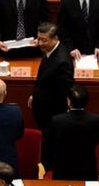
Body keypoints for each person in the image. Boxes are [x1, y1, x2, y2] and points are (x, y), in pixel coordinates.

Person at [28, 22, 74, 162]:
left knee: (49, 145)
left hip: (53, 112)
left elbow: (65, 89)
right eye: (39, 39)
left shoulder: (62, 60)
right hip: (44, 108)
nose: (40, 43)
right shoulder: (50, 51)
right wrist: (34, 95)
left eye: (44, 40)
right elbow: (43, 78)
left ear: (55, 39)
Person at [46, 84, 99, 180]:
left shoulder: (57, 120)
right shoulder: (96, 120)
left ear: (69, 102)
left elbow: (50, 142)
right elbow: (97, 139)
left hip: (63, 167)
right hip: (87, 166)